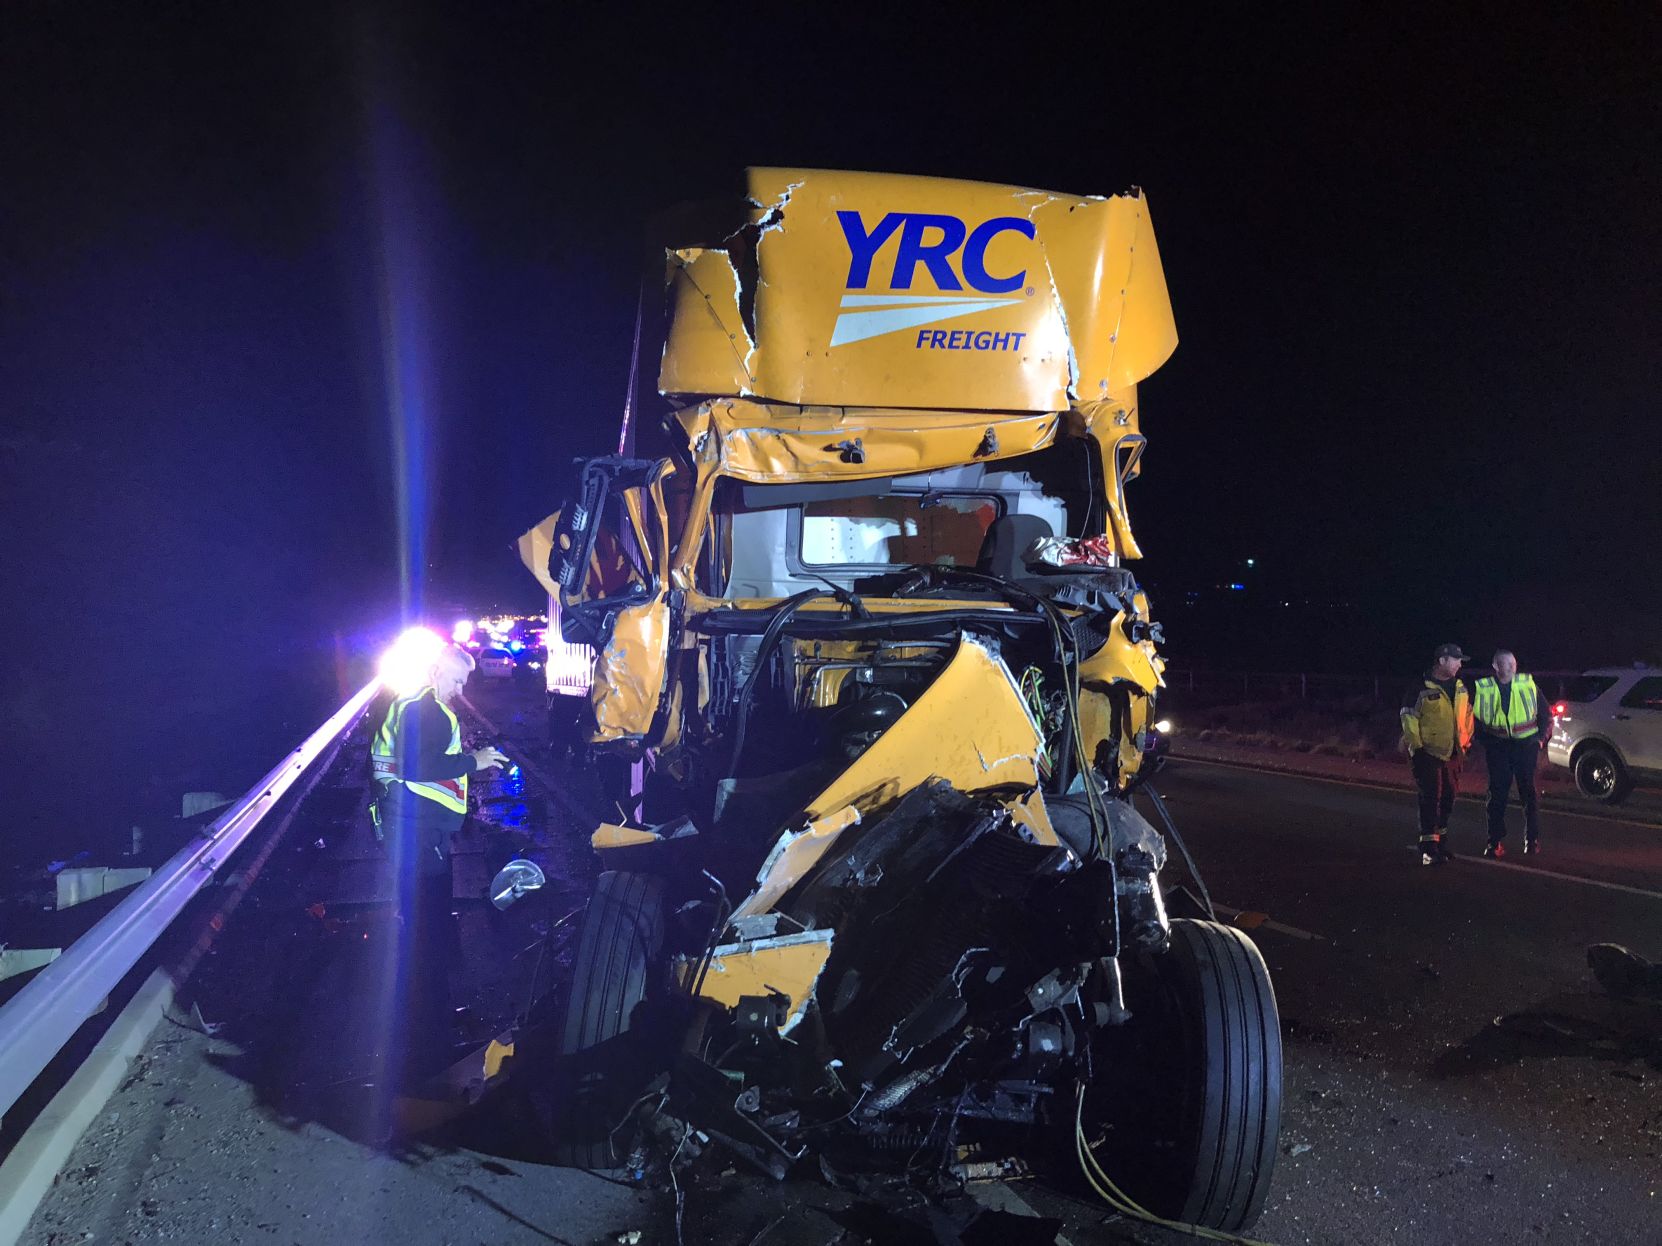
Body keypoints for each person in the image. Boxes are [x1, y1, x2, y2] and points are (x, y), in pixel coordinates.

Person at [370, 644, 508, 1047]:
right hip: (417, 831)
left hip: (408, 825)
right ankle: (430, 1024)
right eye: (456, 679)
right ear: (436, 672)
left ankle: (424, 1010)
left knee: (418, 917)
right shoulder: (427, 710)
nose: (459, 689)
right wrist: (473, 761)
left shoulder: (408, 704)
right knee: (428, 923)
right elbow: (417, 765)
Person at [1472, 649, 1552, 858]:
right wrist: (1485, 742)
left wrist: (1540, 739)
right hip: (1498, 748)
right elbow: (1475, 719)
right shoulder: (1484, 689)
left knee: (1529, 793)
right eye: (1503, 663)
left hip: (1526, 747)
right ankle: (1494, 841)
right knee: (1497, 795)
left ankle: (1532, 840)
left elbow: (1545, 713)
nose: (1508, 667)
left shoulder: (1528, 685)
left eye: (1512, 663)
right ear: (1495, 666)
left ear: (1516, 666)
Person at [1401, 643, 1474, 865]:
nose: (1460, 664)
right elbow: (1408, 716)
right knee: (1431, 798)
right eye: (1456, 659)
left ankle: (1441, 842)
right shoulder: (1421, 687)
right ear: (1442, 661)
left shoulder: (1460, 687)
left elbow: (1468, 715)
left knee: (1448, 798)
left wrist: (1466, 742)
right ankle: (1428, 847)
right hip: (1428, 753)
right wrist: (1418, 748)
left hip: (1453, 753)